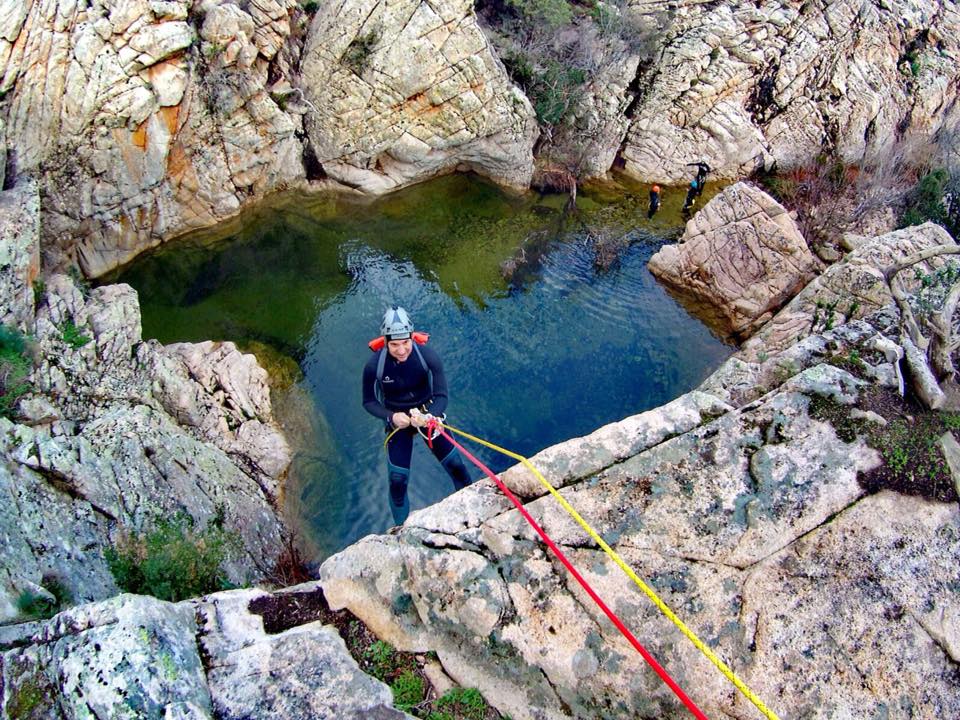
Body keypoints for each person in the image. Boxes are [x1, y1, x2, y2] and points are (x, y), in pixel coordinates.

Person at [362, 306, 472, 525]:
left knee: (456, 466)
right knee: (397, 481)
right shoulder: (375, 366)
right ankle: (401, 529)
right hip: (397, 421)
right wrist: (391, 417)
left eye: (405, 343)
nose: (401, 350)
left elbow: (441, 395)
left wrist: (431, 416)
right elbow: (369, 402)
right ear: (385, 342)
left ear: (412, 337)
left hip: (427, 414)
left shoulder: (427, 356)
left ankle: (471, 506)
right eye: (394, 344)